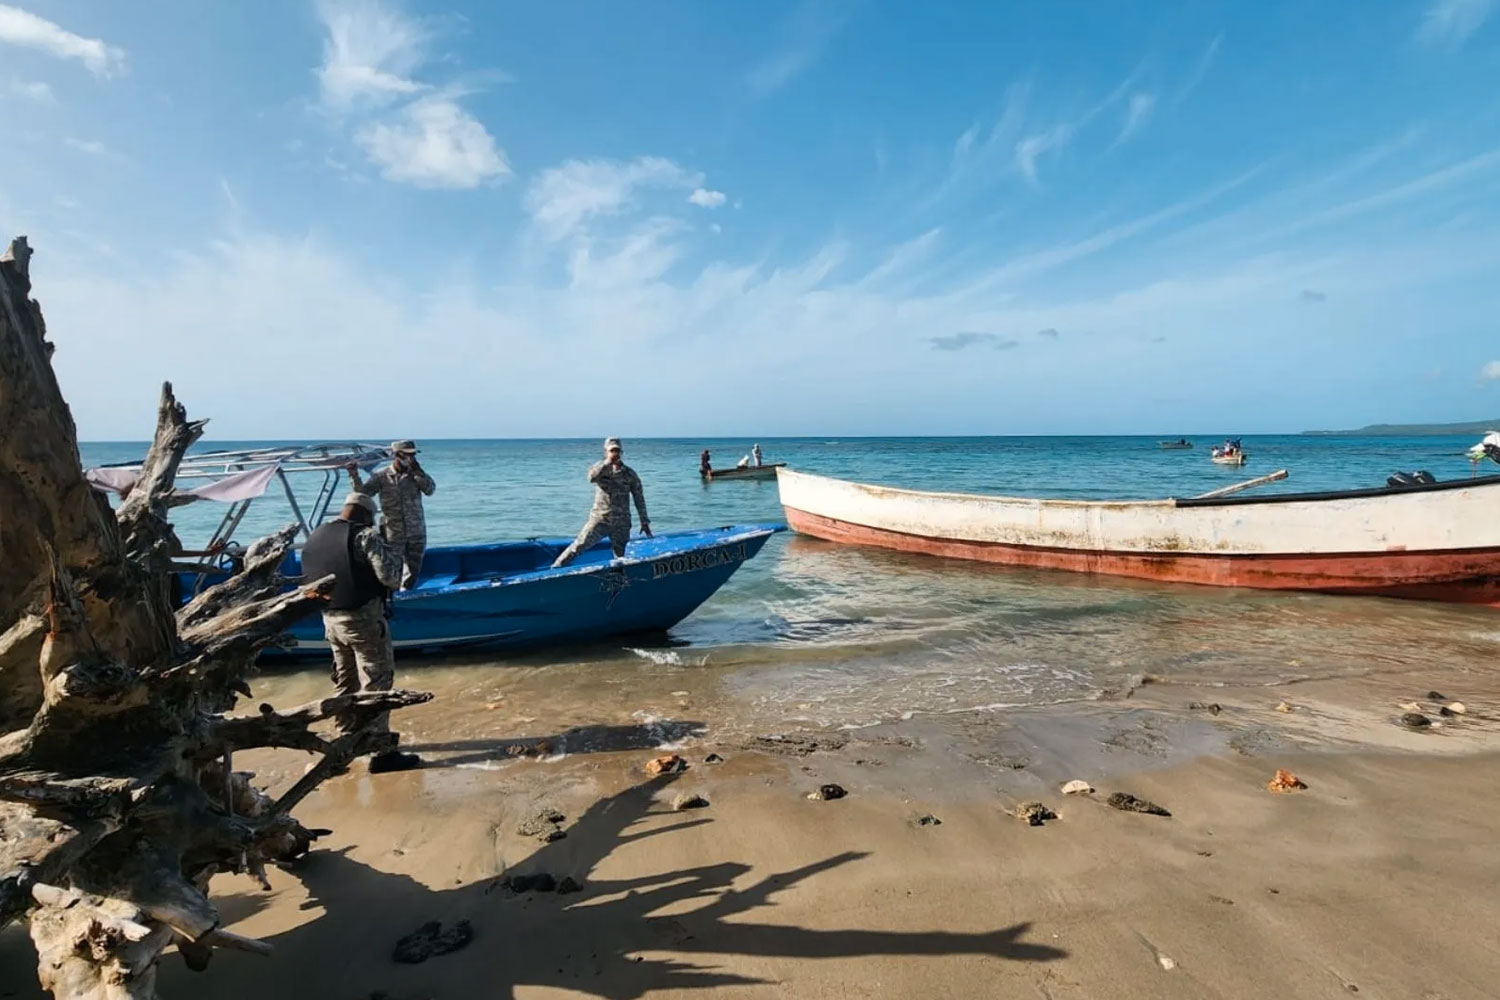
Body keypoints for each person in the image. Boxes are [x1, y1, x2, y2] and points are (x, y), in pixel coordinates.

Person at [300, 493, 420, 773]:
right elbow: (390, 577)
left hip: (330, 620)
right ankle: (381, 752)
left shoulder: (317, 534)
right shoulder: (365, 536)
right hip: (363, 619)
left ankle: (341, 746)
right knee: (377, 681)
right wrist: (391, 546)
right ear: (366, 515)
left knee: (345, 681)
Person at [347, 440, 435, 590]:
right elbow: (362, 494)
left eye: (413, 455)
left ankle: (406, 594)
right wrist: (354, 475)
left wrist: (418, 472)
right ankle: (391, 598)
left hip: (416, 531)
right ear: (396, 455)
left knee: (413, 571)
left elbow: (430, 490)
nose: (410, 459)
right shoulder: (381, 476)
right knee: (392, 571)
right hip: (393, 532)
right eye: (406, 455)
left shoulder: (416, 474)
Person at [552, 438, 652, 567]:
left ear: (622, 452)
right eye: (612, 450)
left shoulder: (629, 474)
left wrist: (644, 522)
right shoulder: (599, 468)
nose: (615, 453)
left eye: (617, 450)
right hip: (600, 519)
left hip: (622, 522)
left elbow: (639, 498)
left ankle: (619, 579)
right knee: (579, 545)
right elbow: (591, 478)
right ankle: (556, 567)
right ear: (606, 451)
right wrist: (607, 463)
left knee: (620, 555)